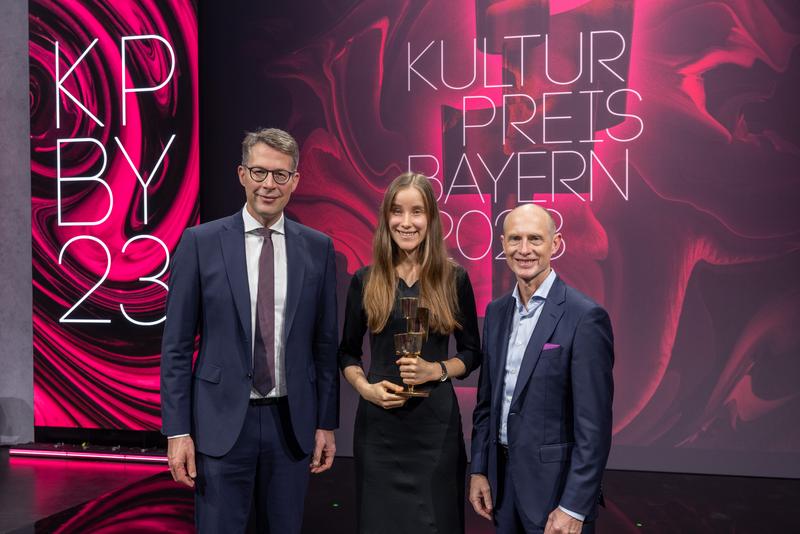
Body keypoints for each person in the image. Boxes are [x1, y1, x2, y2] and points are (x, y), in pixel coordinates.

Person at [160, 128, 339, 533]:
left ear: (295, 181)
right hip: (220, 425)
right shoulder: (200, 242)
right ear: (241, 174)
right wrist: (177, 430)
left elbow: (324, 345)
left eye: (280, 175)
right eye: (259, 172)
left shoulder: (318, 248)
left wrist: (326, 423)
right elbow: (175, 346)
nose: (268, 185)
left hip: (290, 426)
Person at [338, 172, 481, 533]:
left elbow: (472, 353)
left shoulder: (454, 279)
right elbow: (347, 354)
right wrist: (366, 389)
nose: (406, 222)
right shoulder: (365, 281)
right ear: (386, 218)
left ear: (430, 219)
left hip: (436, 430)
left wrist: (437, 370)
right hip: (380, 432)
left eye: (416, 212)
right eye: (397, 212)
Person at [469, 204, 614, 534]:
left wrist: (574, 506)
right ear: (502, 244)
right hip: (502, 489)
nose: (524, 250)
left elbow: (594, 426)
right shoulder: (495, 312)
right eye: (515, 239)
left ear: (555, 244)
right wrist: (479, 469)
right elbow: (486, 404)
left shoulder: (585, 316)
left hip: (556, 496)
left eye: (535, 239)